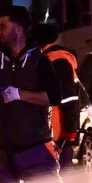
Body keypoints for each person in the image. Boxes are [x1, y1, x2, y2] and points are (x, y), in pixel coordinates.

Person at [0, 5, 87, 183]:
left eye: (3, 26)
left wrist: (20, 94)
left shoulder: (40, 62)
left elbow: (55, 97)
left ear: (18, 30)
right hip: (2, 152)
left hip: (34, 149)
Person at [30, 22, 82, 170]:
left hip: (57, 134)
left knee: (60, 175)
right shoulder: (50, 58)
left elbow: (69, 99)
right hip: (53, 132)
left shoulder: (56, 60)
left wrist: (69, 134)